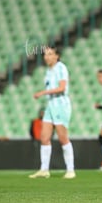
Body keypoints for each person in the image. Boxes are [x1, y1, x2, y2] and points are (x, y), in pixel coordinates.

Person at [29, 46, 75, 179]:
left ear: (56, 56)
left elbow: (61, 88)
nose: (46, 57)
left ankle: (70, 170)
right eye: (45, 54)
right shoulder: (49, 71)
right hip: (51, 105)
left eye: (50, 54)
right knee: (44, 137)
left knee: (62, 137)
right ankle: (44, 170)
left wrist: (42, 92)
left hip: (61, 104)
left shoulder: (61, 68)